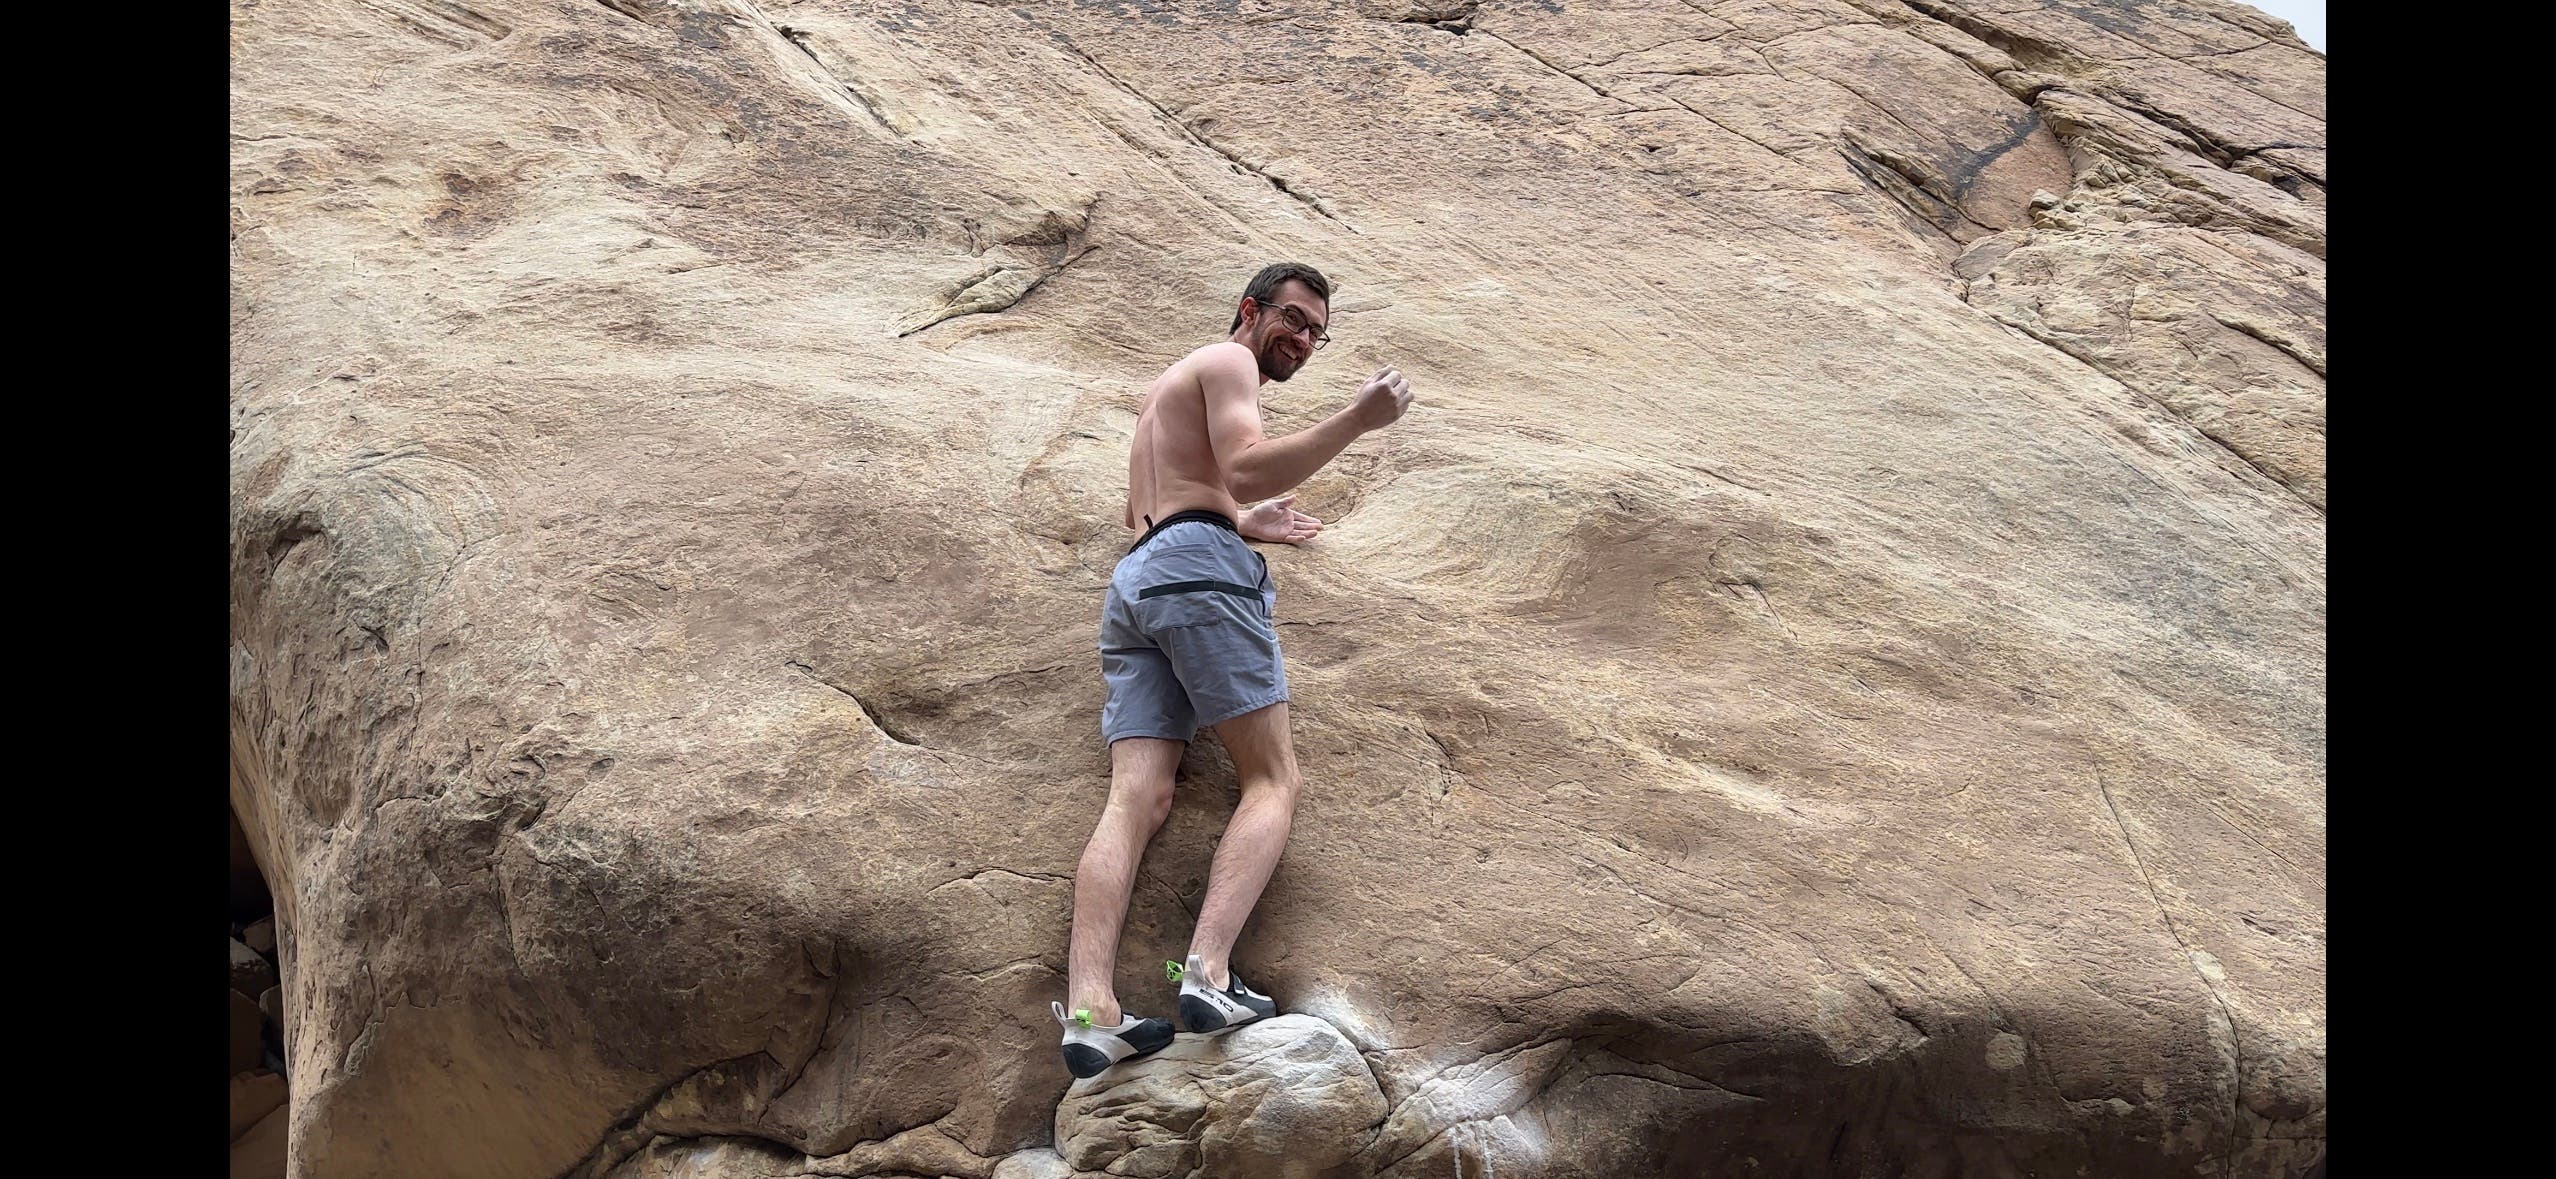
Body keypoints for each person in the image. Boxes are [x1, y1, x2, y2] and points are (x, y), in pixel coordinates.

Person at [1052, 262, 1416, 1078]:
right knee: (1272, 779)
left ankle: (1089, 1012)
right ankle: (1209, 975)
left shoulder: (1164, 393)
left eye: (1317, 332)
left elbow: (1153, 508)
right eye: (1292, 318)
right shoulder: (1227, 361)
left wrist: (1241, 521)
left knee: (1137, 797)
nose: (1304, 339)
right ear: (1249, 311)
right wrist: (1358, 418)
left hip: (1139, 578)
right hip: (1196, 571)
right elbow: (1245, 463)